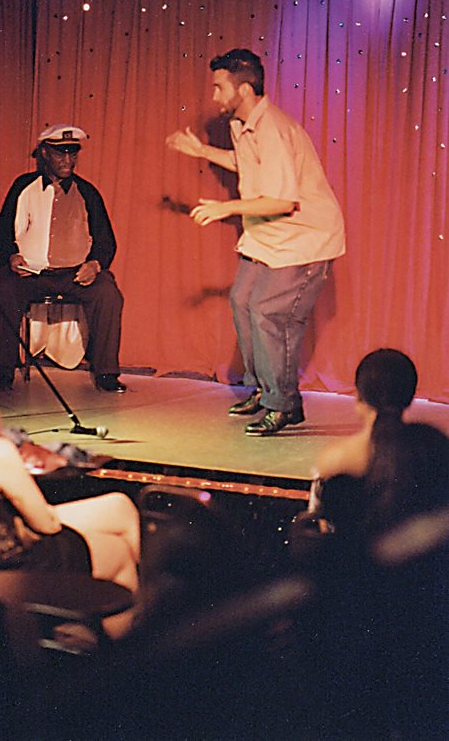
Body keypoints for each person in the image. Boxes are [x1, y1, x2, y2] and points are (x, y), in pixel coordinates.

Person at [167, 49, 345, 436]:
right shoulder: (241, 124)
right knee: (243, 299)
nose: (214, 98)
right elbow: (247, 165)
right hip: (267, 235)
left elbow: (283, 201)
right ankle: (266, 390)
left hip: (303, 238)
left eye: (219, 88)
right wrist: (201, 151)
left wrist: (225, 208)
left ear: (244, 89)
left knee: (268, 313)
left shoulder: (274, 129)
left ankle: (283, 404)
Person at [0, 340, 139, 592]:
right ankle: (128, 623)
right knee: (118, 551)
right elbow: (45, 524)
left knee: (119, 506)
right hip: (9, 560)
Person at [0, 123, 125, 393]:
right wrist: (11, 258)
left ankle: (106, 373)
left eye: (72, 154)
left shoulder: (88, 192)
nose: (68, 161)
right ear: (44, 153)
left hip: (74, 275)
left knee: (108, 292)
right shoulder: (23, 187)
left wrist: (94, 264)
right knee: (4, 291)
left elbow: (106, 241)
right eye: (60, 154)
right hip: (33, 274)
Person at [309, 348, 419, 511]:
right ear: (409, 397)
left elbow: (320, 523)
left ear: (359, 397)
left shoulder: (335, 458)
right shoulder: (433, 451)